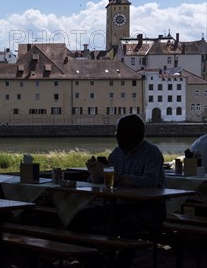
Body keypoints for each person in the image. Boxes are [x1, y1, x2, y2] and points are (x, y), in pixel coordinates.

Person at [69, 114, 166, 268]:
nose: (118, 139)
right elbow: (105, 182)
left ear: (137, 136)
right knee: (80, 218)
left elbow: (150, 182)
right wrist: (95, 172)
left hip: (149, 207)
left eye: (122, 135)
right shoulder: (117, 153)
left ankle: (120, 264)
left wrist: (120, 178)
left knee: (126, 229)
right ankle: (93, 261)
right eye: (117, 135)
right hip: (120, 205)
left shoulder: (151, 153)